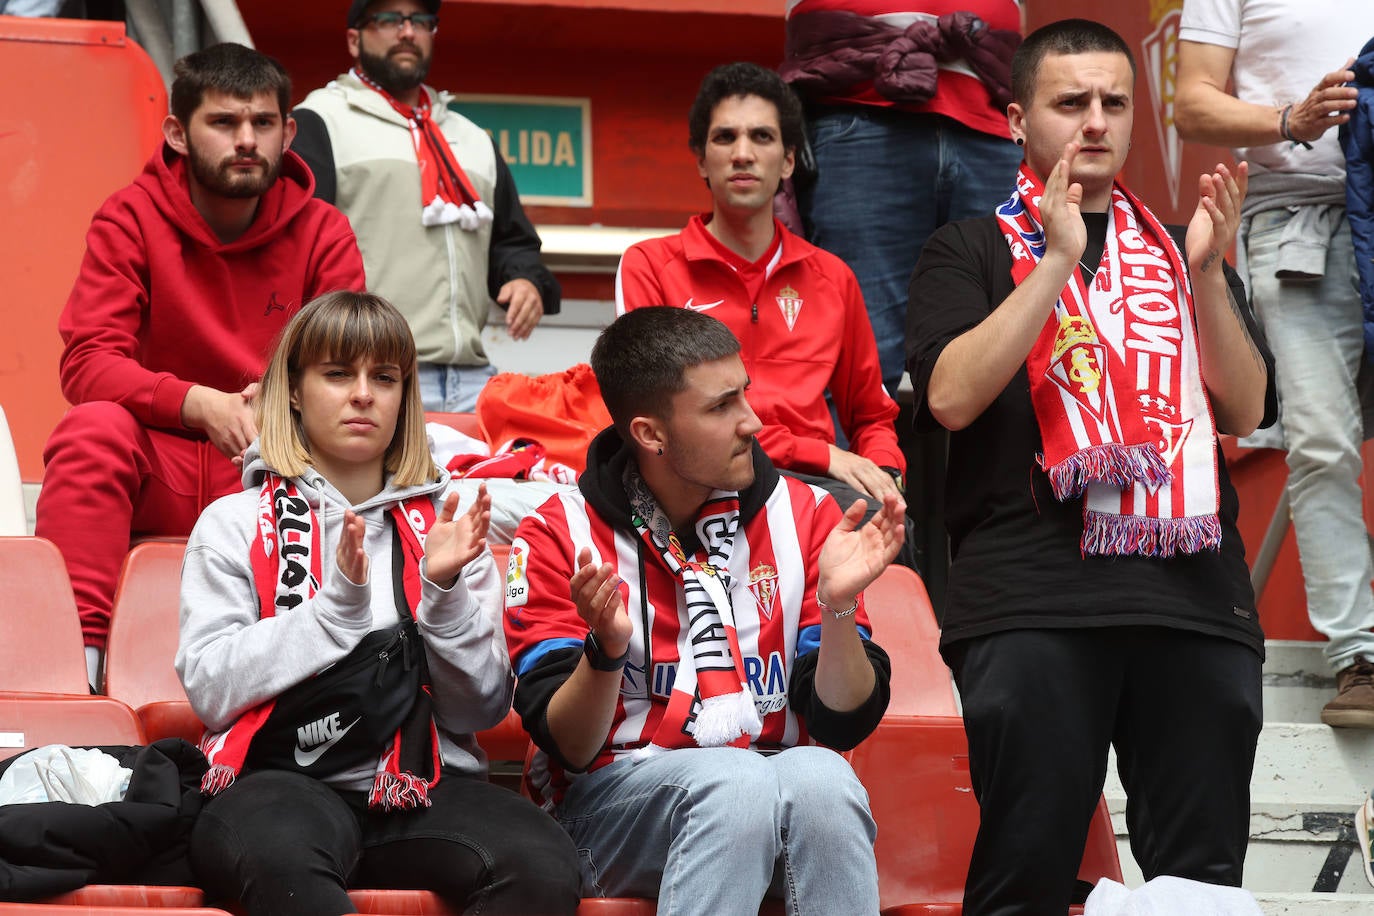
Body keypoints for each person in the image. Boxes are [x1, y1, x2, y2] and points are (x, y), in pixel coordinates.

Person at [905, 19, 1276, 914]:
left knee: (1200, 887)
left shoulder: (1181, 243)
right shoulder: (972, 247)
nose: (1097, 122)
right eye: (1071, 103)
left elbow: (1245, 406)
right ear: (1016, 119)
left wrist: (1208, 277)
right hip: (1034, 597)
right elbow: (950, 396)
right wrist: (1059, 258)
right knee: (1025, 878)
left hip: (1193, 596)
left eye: (1114, 102)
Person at [176, 291, 580, 916]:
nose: (363, 394)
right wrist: (330, 617)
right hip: (277, 781)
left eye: (384, 378)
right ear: (292, 390)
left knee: (543, 867)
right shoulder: (231, 522)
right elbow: (210, 688)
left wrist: (443, 597)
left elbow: (478, 707)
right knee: (284, 868)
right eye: (338, 374)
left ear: (403, 398)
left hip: (425, 787)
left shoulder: (450, 524)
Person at [502, 306, 904, 914]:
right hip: (608, 813)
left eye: (745, 394)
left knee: (825, 780)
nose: (753, 422)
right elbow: (569, 747)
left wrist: (838, 605)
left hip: (773, 786)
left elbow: (843, 723)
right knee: (732, 785)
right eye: (720, 408)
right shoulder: (561, 533)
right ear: (650, 434)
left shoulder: (810, 516)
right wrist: (606, 650)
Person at [34, 42, 365, 688]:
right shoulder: (128, 217)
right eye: (224, 123)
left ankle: (334, 686)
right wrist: (197, 403)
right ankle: (77, 673)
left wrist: (273, 409)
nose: (247, 140)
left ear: (288, 131)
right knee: (90, 432)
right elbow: (88, 362)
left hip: (278, 466)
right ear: (178, 133)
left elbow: (349, 364)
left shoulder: (324, 230)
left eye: (263, 124)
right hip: (163, 463)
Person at [1176, 0, 1374, 728]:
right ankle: (1362, 658)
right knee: (1321, 441)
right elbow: (1191, 104)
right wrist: (1292, 119)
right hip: (1297, 224)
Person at [616, 62, 906, 521]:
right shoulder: (650, 265)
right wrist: (820, 452)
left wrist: (885, 473)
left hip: (811, 488)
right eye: (725, 137)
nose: (743, 154)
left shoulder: (833, 277)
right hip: (698, 482)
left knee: (883, 521)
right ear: (700, 159)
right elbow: (663, 414)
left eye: (762, 137)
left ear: (788, 161)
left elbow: (872, 416)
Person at [292, 0, 560, 414]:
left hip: (473, 379)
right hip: (370, 378)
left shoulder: (473, 138)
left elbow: (512, 242)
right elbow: (295, 251)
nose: (406, 32)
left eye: (420, 21)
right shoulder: (319, 120)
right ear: (353, 39)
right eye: (388, 19)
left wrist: (524, 280)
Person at [782, 0, 1026, 395]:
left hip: (994, 120)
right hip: (857, 108)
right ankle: (854, 459)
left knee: (1011, 355)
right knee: (859, 356)